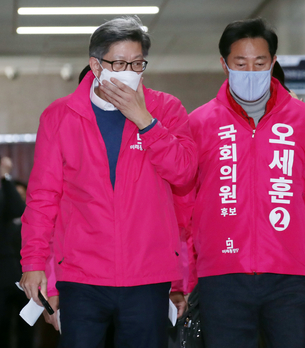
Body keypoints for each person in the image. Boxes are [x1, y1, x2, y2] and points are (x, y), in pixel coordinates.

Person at [19, 16, 196, 348]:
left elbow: (184, 173)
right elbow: (43, 198)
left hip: (148, 275)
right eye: (119, 63)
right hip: (81, 277)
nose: (129, 70)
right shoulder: (60, 117)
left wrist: (145, 120)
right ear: (96, 65)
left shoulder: (167, 109)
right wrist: (34, 264)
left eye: (137, 63)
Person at [186, 18, 305, 348]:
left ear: (273, 62)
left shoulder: (302, 120)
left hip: (289, 275)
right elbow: (184, 204)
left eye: (260, 63)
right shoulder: (199, 123)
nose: (251, 71)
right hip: (222, 273)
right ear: (224, 64)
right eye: (240, 63)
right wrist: (184, 274)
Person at [0, 151, 27, 348]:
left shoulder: (0, 196)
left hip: (9, 274)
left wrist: (5, 176)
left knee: (21, 327)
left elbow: (18, 210)